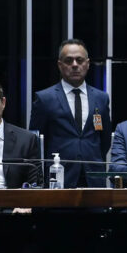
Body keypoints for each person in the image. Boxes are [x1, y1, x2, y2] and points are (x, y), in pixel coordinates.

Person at [29, 38, 111, 188]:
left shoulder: (101, 98)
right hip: (58, 177)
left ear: (87, 63)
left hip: (93, 178)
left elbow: (105, 140)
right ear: (60, 65)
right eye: (69, 60)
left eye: (79, 60)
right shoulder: (44, 98)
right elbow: (35, 143)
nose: (74, 65)